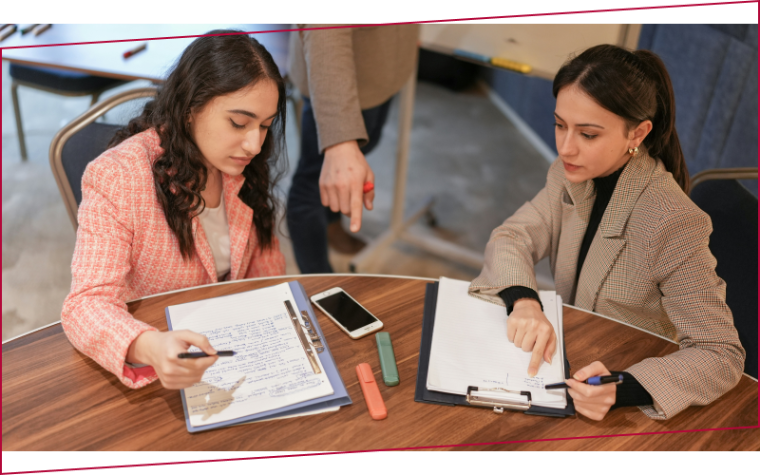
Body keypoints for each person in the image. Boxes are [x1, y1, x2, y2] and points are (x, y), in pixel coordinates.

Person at [469, 44, 745, 421]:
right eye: (559, 125)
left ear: (637, 133)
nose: (565, 147)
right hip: (573, 358)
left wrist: (626, 387)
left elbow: (720, 353)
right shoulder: (567, 175)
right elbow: (511, 238)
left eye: (588, 134)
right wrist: (525, 301)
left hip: (622, 392)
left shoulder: (672, 220)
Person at [61, 31, 288, 391]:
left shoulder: (240, 166)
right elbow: (86, 305)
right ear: (189, 110)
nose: (255, 144)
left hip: (231, 351)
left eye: (264, 125)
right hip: (160, 362)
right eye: (239, 123)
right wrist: (150, 346)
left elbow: (265, 268)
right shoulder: (118, 177)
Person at [286, 23, 420, 272]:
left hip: (381, 63)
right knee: (312, 184)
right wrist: (339, 141)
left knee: (365, 147)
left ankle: (331, 224)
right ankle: (319, 286)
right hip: (335, 78)